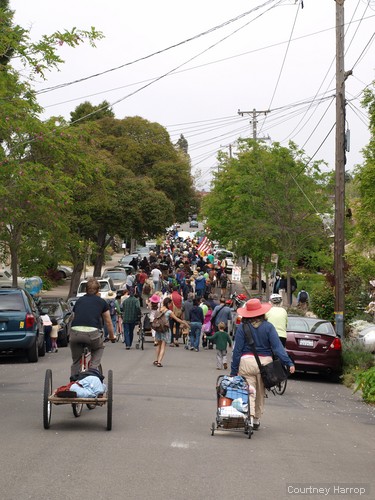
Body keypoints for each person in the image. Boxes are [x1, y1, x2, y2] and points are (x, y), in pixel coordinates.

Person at [230, 298, 295, 430]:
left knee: (249, 391)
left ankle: (249, 416)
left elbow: (237, 350)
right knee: (260, 392)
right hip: (264, 365)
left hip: (246, 363)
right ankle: (256, 419)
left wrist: (233, 371)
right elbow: (278, 348)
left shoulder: (242, 327)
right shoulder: (268, 327)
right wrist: (288, 363)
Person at [70, 277, 115, 379]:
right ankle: (93, 371)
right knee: (99, 347)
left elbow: (73, 317)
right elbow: (108, 321)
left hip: (75, 333)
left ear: (86, 289)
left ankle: (73, 382)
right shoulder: (102, 302)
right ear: (98, 290)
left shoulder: (79, 301)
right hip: (92, 334)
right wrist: (112, 337)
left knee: (76, 361)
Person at [154, 297, 187, 367]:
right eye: (170, 304)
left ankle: (157, 360)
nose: (171, 305)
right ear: (168, 303)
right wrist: (184, 323)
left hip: (158, 328)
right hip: (165, 329)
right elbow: (177, 319)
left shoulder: (159, 309)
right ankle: (159, 362)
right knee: (163, 346)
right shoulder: (169, 312)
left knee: (158, 345)